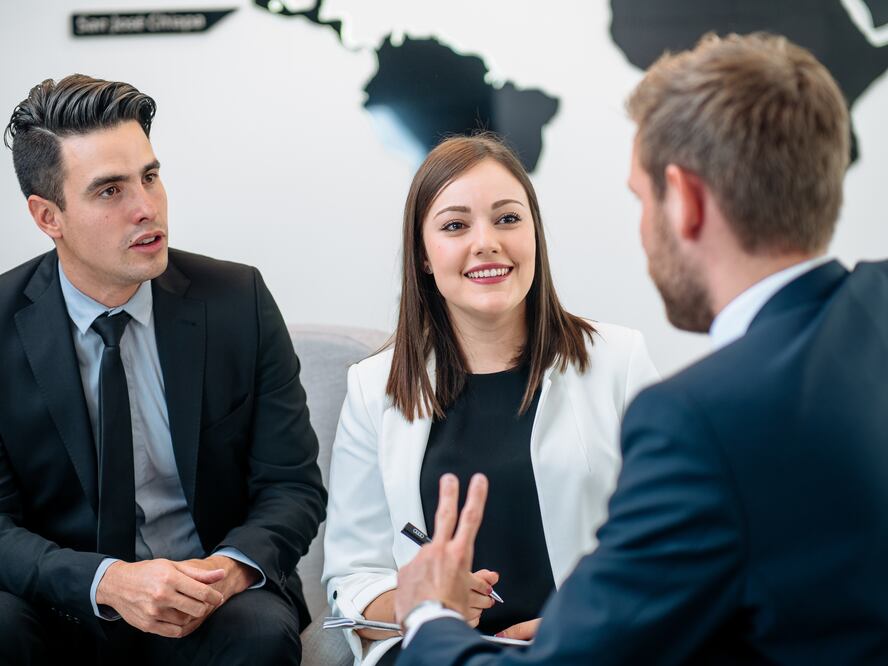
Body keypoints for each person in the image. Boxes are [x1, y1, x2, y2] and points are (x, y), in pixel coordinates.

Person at [392, 33, 888, 665]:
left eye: (640, 198)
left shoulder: (697, 422)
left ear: (685, 201)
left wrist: (430, 614)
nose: (642, 229)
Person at [0, 74, 327, 665]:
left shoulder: (237, 300)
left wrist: (226, 572)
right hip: (61, 602)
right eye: (109, 191)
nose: (146, 208)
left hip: (208, 598)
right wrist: (105, 583)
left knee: (259, 633)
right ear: (49, 215)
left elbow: (291, 485)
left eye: (150, 176)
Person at [322, 134, 659, 665]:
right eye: (456, 225)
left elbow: (668, 543)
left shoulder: (618, 360)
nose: (486, 243)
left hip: (586, 647)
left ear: (535, 235)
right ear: (424, 256)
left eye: (507, 219)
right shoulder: (373, 387)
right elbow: (354, 578)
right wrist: (421, 600)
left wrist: (583, 625)